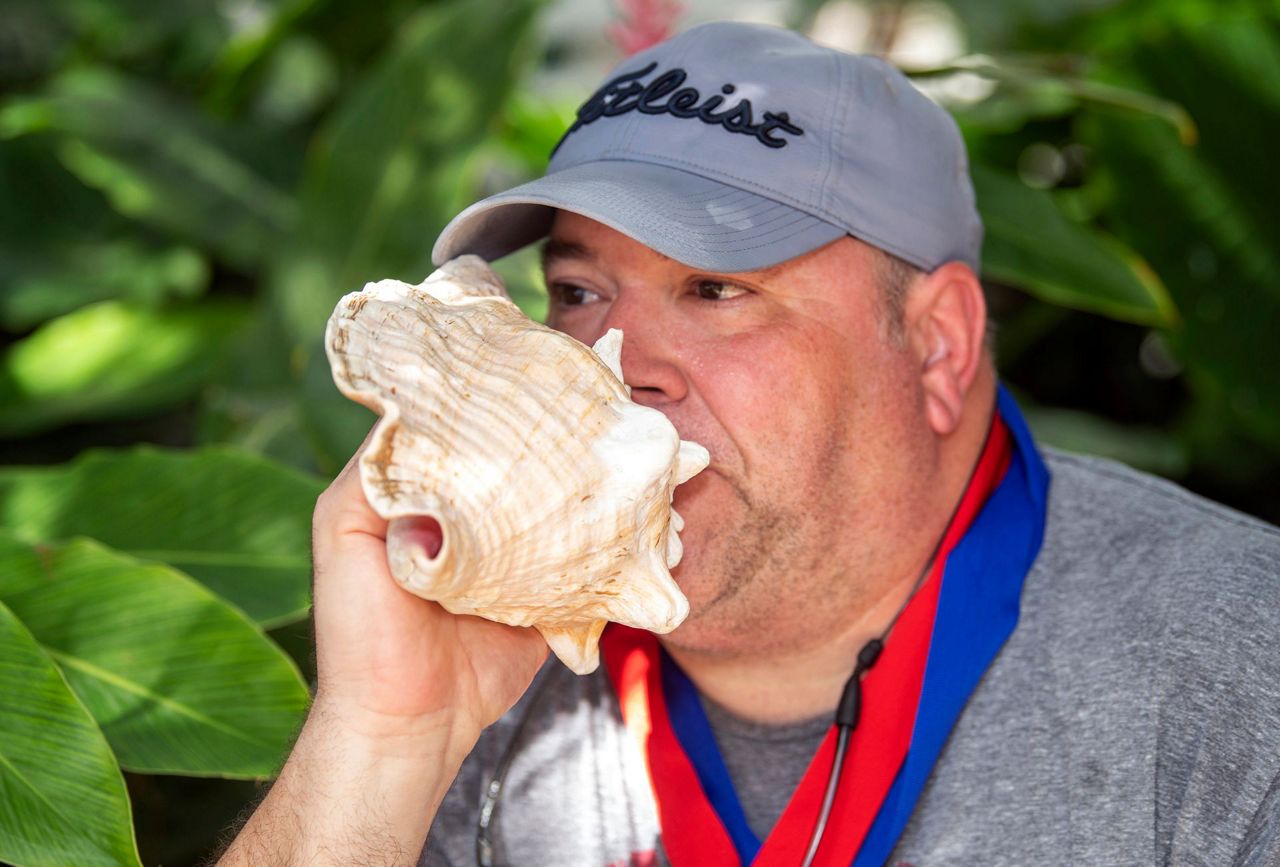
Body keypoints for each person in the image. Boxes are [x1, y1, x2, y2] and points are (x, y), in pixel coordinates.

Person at [218, 21, 1280, 867]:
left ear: (936, 345)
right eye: (579, 291)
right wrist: (387, 741)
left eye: (715, 289)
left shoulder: (1233, 669)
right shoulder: (491, 670)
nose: (615, 364)